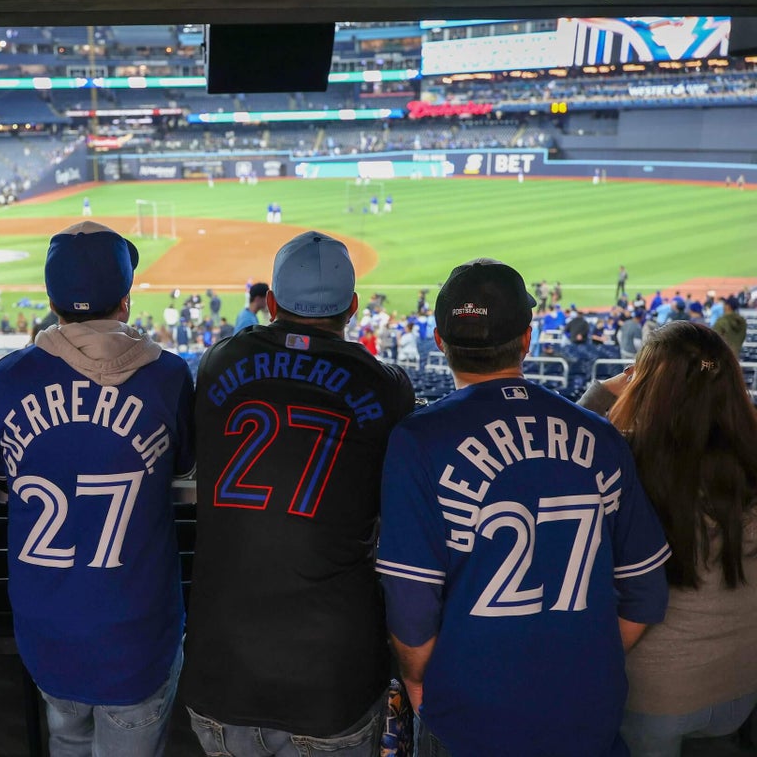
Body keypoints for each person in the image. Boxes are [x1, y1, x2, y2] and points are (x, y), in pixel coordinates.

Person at [377, 258, 670, 757]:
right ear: (528, 340)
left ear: (440, 341)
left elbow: (411, 602)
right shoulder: (600, 436)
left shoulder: (418, 440)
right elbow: (646, 591)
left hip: (470, 716)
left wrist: (419, 679)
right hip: (587, 712)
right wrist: (584, 663)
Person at [182, 231, 415, 755]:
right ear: (352, 307)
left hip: (222, 671)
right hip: (330, 678)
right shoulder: (386, 386)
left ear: (271, 303)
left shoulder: (218, 362)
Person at [0, 221, 194, 757]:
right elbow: (183, 462)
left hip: (46, 630)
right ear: (125, 301)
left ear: (52, 302)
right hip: (136, 636)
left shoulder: (8, 378)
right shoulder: (168, 376)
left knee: (66, 739)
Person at [578, 321, 757, 756]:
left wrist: (606, 390)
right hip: (741, 685)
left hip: (651, 694)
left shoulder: (623, 455)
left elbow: (557, 446)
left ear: (647, 384)